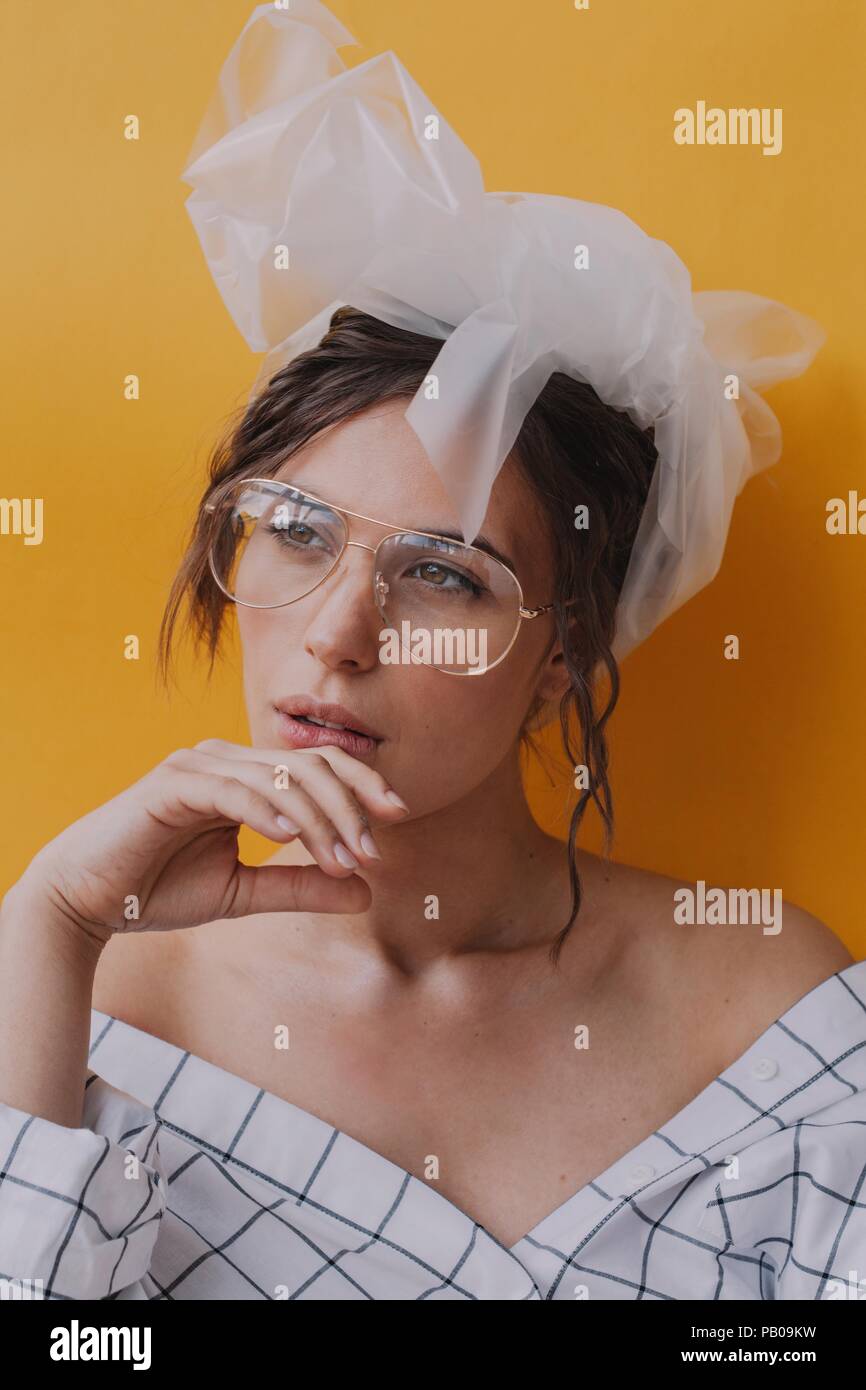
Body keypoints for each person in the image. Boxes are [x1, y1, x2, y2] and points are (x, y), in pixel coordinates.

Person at [0, 305, 863, 1301]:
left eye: (443, 574)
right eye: (295, 530)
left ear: (560, 656)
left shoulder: (762, 1014)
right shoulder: (86, 1002)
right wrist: (50, 920)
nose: (336, 633)